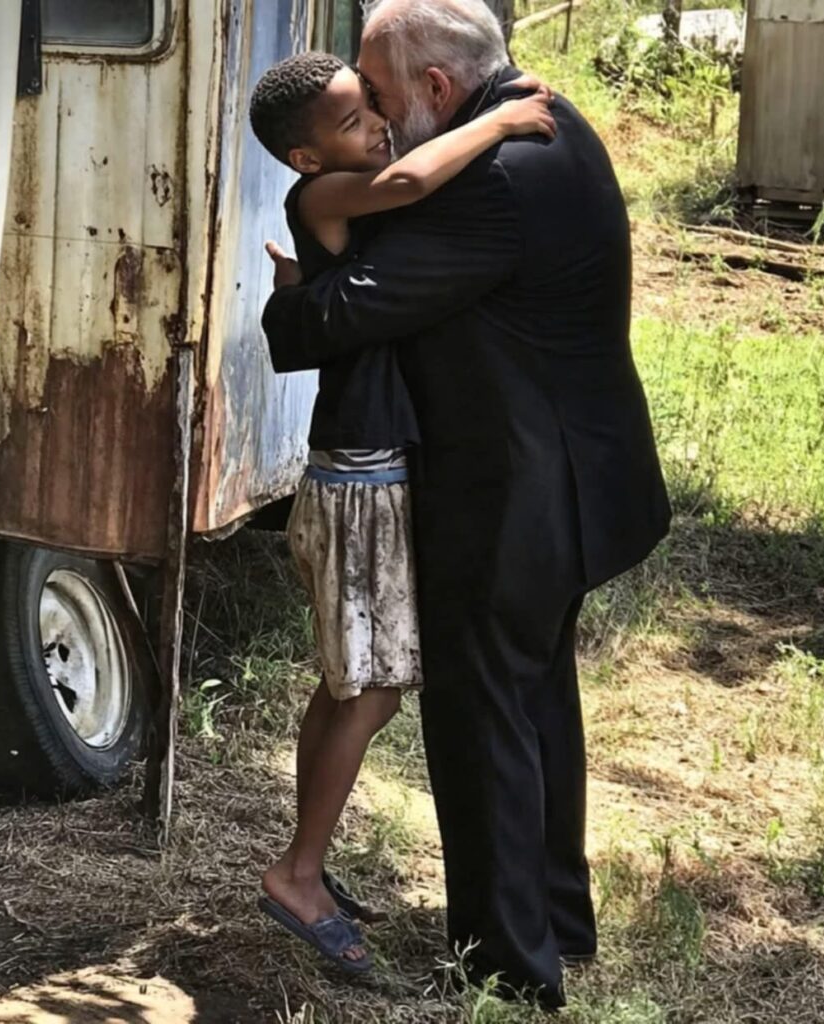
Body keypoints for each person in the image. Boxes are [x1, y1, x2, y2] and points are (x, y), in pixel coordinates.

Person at [261, 0, 672, 1010]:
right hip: (572, 477)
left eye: (381, 99)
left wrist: (290, 298)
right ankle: (554, 921)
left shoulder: (489, 174)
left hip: (519, 492)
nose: (381, 123)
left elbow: (342, 315)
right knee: (535, 701)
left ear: (437, 88)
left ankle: (508, 969)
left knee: (483, 717)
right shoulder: (547, 120)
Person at [249, 49, 556, 975]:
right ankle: (298, 874)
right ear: (307, 159)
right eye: (355, 121)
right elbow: (413, 179)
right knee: (372, 689)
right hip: (362, 475)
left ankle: (306, 858)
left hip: (360, 466)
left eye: (373, 108)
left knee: (346, 685)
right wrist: (502, 120)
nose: (379, 128)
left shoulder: (332, 202)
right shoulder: (325, 195)